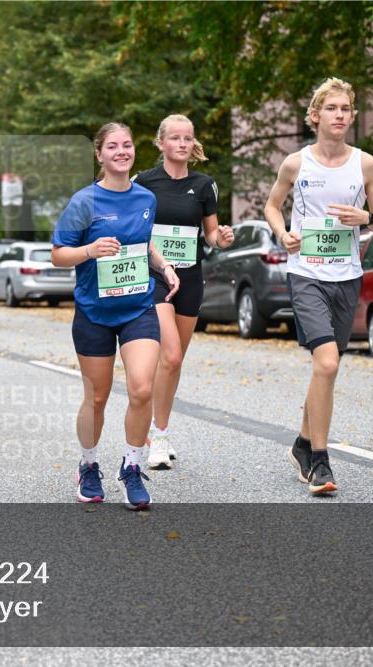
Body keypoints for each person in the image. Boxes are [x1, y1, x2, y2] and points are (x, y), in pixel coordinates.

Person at [264, 77, 373, 496]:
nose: (339, 115)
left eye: (346, 109)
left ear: (352, 116)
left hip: (346, 275)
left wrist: (365, 220)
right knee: (328, 364)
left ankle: (301, 444)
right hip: (306, 274)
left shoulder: (365, 163)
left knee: (325, 368)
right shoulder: (297, 163)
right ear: (315, 116)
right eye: (331, 108)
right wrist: (284, 234)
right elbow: (271, 204)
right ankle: (319, 461)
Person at [51, 122, 178, 510]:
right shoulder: (84, 201)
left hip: (138, 306)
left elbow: (144, 241)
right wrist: (90, 250)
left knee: (141, 388)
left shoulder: (145, 198)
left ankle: (132, 467)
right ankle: (89, 465)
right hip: (94, 311)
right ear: (100, 154)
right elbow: (58, 255)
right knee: (98, 396)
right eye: (112, 146)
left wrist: (163, 264)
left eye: (127, 145)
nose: (121, 151)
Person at [134, 114, 235, 469]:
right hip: (154, 276)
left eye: (188, 138)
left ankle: (154, 427)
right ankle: (158, 438)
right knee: (171, 356)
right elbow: (133, 227)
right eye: (175, 138)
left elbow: (209, 235)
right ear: (161, 143)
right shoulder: (143, 182)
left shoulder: (205, 185)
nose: (182, 143)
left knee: (172, 365)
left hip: (190, 278)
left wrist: (219, 238)